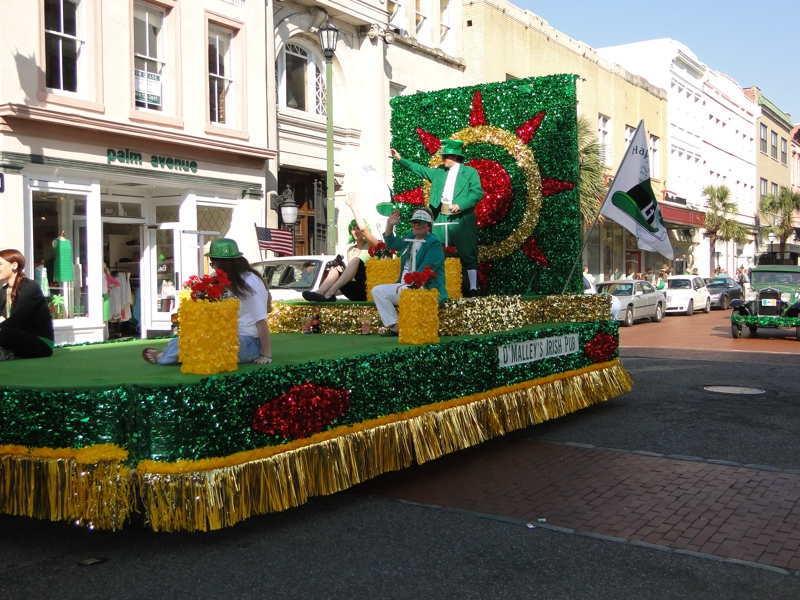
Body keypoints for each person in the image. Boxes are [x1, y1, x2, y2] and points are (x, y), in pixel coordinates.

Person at [142, 238, 273, 366]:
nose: (213, 268)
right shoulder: (232, 280)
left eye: (212, 263)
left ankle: (163, 356)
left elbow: (261, 321)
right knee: (190, 340)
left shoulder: (250, 282)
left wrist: (266, 355)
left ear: (223, 263)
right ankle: (170, 354)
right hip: (227, 336)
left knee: (209, 345)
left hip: (247, 342)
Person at [391, 139, 483, 297]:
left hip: (461, 218)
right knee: (436, 249)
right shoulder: (439, 172)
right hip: (440, 216)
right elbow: (419, 169)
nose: (443, 159)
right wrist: (401, 159)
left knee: (468, 254)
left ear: (454, 156)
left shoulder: (470, 173)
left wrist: (461, 204)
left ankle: (473, 288)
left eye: (445, 155)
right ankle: (434, 286)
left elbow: (477, 192)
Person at [371, 208, 447, 336]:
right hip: (404, 287)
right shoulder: (410, 237)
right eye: (414, 222)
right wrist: (390, 224)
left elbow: (425, 271)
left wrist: (407, 285)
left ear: (428, 226)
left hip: (425, 288)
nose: (417, 225)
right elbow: (391, 243)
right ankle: (395, 326)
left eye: (421, 222)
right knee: (377, 291)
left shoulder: (433, 242)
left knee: (403, 290)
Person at [303, 193, 379, 302]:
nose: (356, 231)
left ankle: (330, 293)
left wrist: (352, 206)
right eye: (353, 229)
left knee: (356, 260)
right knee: (335, 270)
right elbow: (351, 275)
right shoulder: (350, 250)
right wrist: (340, 270)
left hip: (370, 289)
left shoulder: (372, 245)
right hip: (356, 289)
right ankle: (320, 292)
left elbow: (363, 229)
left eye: (357, 228)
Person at [0, 249, 55, 360]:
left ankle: (7, 353)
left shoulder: (30, 287)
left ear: (14, 265)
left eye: (0, 264)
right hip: (15, 336)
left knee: (6, 333)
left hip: (40, 342)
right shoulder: (3, 290)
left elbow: (18, 318)